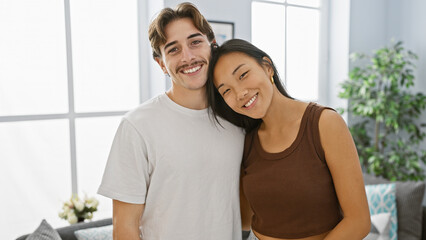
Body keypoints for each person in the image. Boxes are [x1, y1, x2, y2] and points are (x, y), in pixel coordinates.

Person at [98, 3, 245, 240]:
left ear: (212, 45)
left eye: (195, 42)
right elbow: (125, 228)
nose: (188, 57)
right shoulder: (137, 126)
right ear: (161, 64)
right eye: (173, 49)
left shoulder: (237, 118)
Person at [206, 39, 371, 240]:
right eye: (226, 91)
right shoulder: (245, 141)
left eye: (243, 75)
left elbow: (359, 221)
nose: (240, 94)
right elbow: (245, 219)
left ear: (267, 67)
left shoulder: (325, 123)